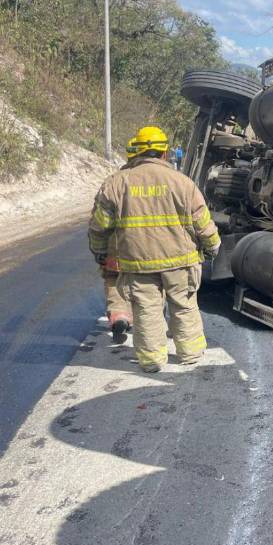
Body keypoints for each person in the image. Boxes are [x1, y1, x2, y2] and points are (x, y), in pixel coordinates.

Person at [88, 126, 221, 373]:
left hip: (138, 264)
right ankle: (190, 353)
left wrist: (100, 251)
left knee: (146, 310)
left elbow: (99, 227)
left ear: (135, 151)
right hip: (181, 262)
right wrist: (212, 246)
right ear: (164, 153)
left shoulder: (116, 183)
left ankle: (151, 360)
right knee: (184, 305)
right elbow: (202, 222)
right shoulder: (182, 182)